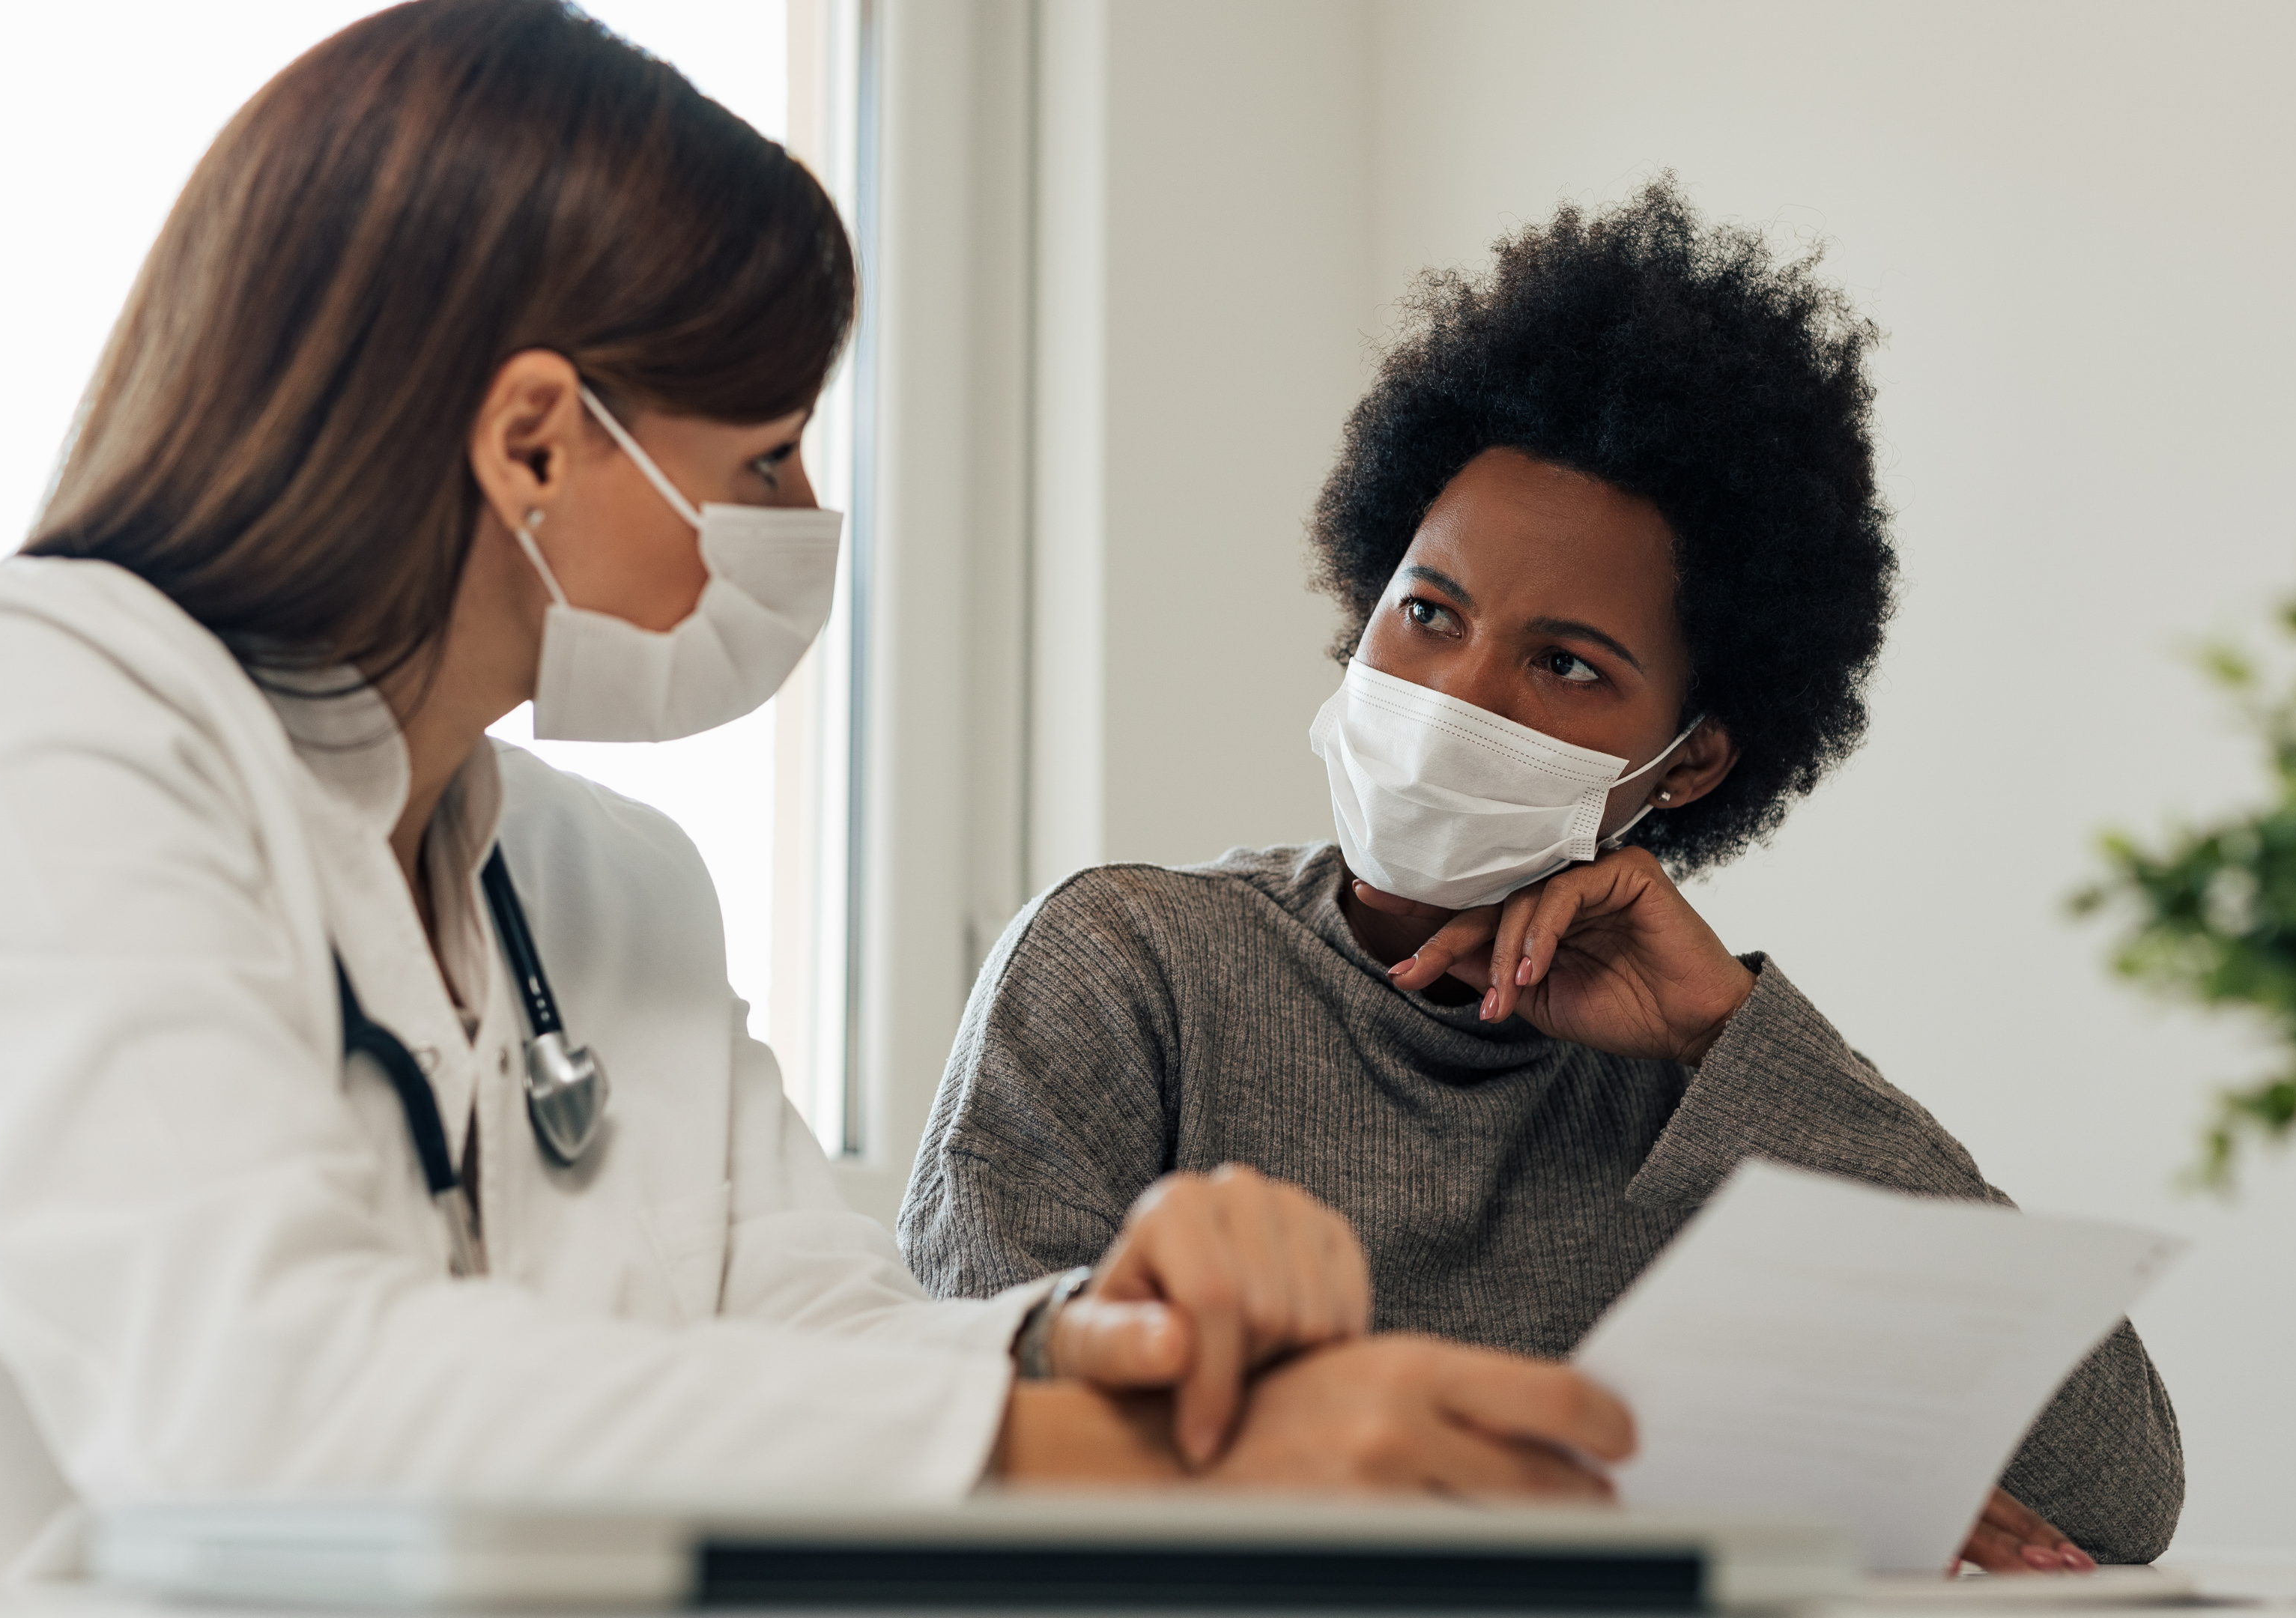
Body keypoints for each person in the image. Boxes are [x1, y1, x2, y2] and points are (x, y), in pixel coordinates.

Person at [0, 4, 1638, 1586]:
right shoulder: (25, 712)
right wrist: (1125, 1467)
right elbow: (252, 1397)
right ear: (538, 437)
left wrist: (1092, 1343)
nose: (799, 526)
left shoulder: (606, 884)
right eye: (766, 455)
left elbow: (815, 1325)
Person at [900, 182, 2186, 1572]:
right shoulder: (1128, 966)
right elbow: (950, 1442)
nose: (1459, 690)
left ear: (1687, 765)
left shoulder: (1706, 1085)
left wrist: (1732, 1043)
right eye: (1429, 613)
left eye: (1567, 664)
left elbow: (2119, 1497)